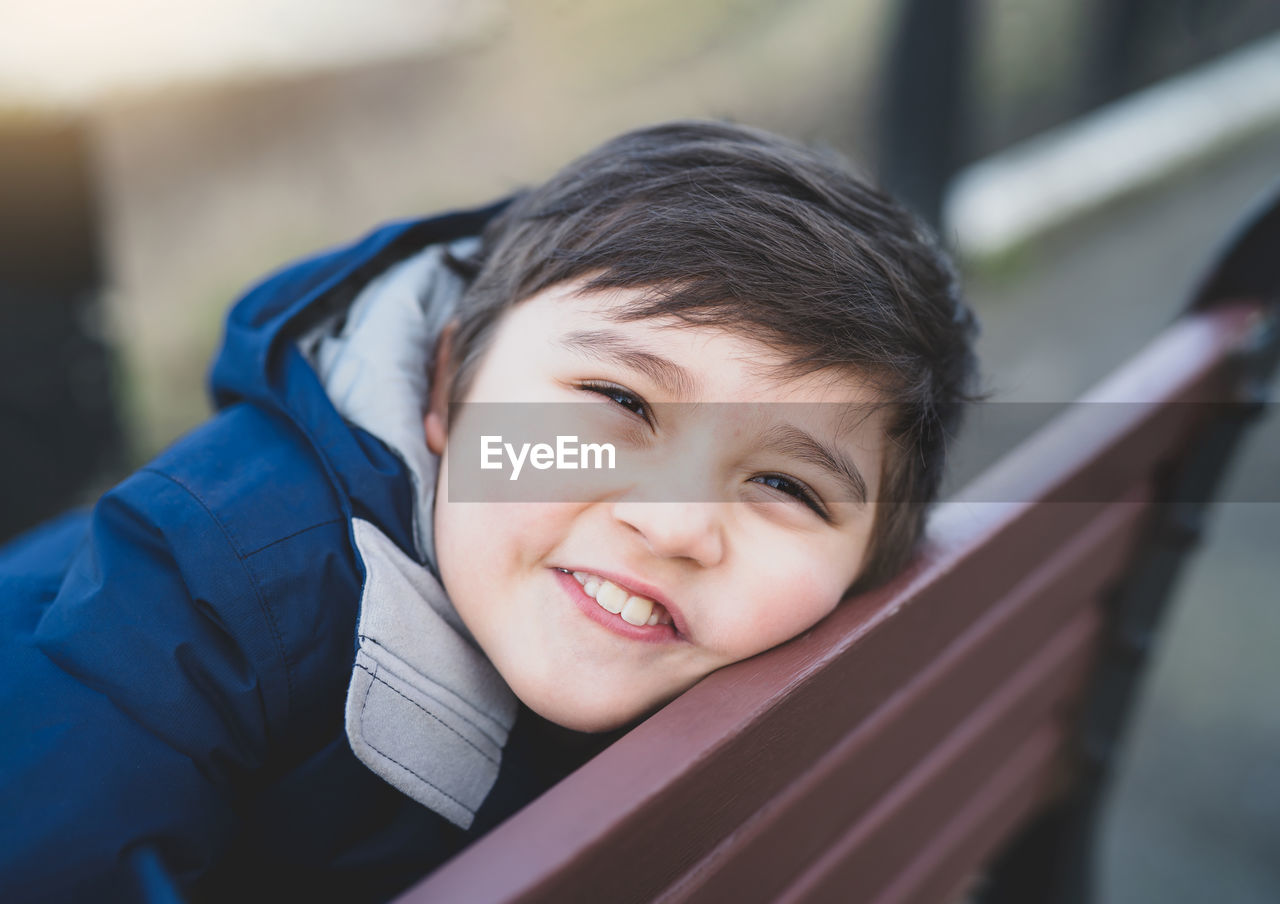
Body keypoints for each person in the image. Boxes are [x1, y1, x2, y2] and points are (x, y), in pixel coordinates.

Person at [0, 120, 978, 902]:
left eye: (784, 486)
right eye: (620, 404)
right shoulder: (220, 573)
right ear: (446, 386)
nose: (674, 524)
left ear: (866, 565)